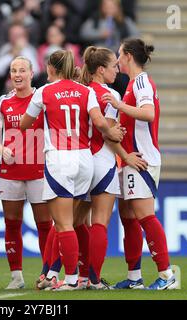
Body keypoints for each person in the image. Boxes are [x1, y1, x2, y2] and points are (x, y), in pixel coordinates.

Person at [20, 49, 124, 291]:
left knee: (63, 224)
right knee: (78, 221)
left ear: (51, 69)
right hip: (85, 159)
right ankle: (82, 277)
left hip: (60, 159)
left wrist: (38, 116)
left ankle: (70, 279)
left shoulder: (44, 92)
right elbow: (99, 123)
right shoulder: (86, 91)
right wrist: (112, 134)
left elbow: (25, 124)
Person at [101, 38, 179, 290]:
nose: (116, 58)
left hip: (141, 159)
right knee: (128, 217)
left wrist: (120, 106)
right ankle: (134, 277)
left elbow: (148, 113)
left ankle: (167, 275)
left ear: (128, 56)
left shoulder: (142, 81)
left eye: (119, 54)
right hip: (129, 159)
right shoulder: (131, 84)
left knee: (145, 215)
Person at [68, 46, 147, 290]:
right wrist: (126, 156)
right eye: (113, 66)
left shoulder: (79, 92)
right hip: (102, 161)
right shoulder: (109, 95)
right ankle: (93, 278)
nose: (117, 70)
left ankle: (66, 275)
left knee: (69, 222)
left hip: (79, 160)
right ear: (100, 70)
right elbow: (110, 134)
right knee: (99, 222)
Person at [0, 56, 52, 289]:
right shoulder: (3, 101)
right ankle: (16, 276)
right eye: (13, 70)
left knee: (44, 224)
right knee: (12, 223)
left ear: (31, 73)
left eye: (22, 70)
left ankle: (47, 274)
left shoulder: (43, 98)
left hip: (39, 170)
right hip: (10, 170)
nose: (17, 74)